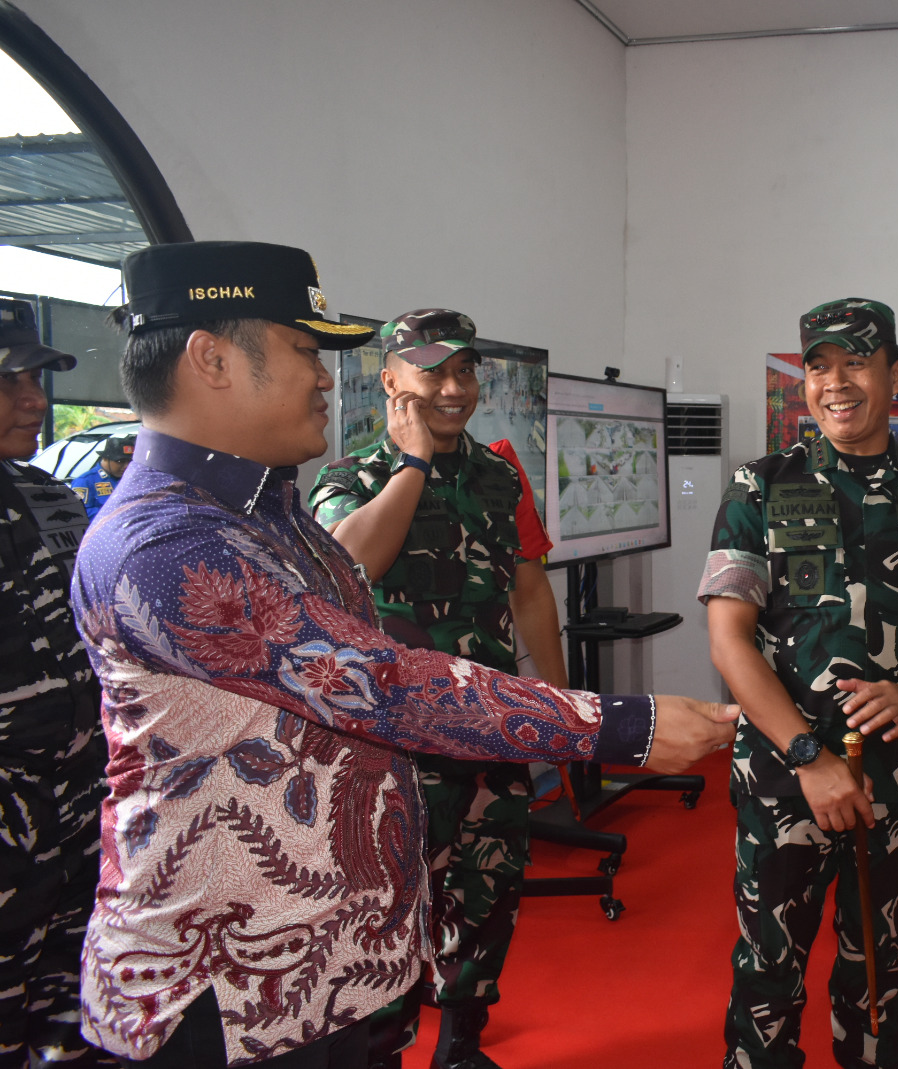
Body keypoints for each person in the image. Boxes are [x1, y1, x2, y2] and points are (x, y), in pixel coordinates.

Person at [68, 241, 736, 1068]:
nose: (324, 376)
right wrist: (615, 724)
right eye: (307, 350)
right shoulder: (163, 543)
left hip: (332, 978)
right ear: (211, 358)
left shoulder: (267, 512)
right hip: (231, 996)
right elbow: (374, 683)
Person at [700, 298, 898, 1069]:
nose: (836, 382)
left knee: (881, 971)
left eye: (856, 361)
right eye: (819, 364)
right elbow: (730, 641)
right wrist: (808, 754)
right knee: (769, 971)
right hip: (783, 776)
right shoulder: (757, 487)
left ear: (896, 373)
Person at [308, 309, 566, 1069]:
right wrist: (411, 463)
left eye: (464, 370)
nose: (453, 387)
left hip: (487, 730)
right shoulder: (347, 476)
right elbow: (347, 565)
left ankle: (461, 1041)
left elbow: (528, 589)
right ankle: (383, 1047)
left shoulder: (499, 475)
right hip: (391, 746)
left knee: (488, 890)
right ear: (390, 380)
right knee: (387, 907)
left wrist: (560, 707)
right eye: (432, 371)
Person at [0, 297, 115, 1067]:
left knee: (76, 1006)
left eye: (36, 379)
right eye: (9, 382)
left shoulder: (49, 496)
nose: (35, 400)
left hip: (77, 799)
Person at [71, 433, 136, 520]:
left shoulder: (132, 479)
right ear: (105, 459)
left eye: (129, 462)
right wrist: (113, 514)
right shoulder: (85, 481)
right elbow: (80, 512)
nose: (126, 466)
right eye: (120, 461)